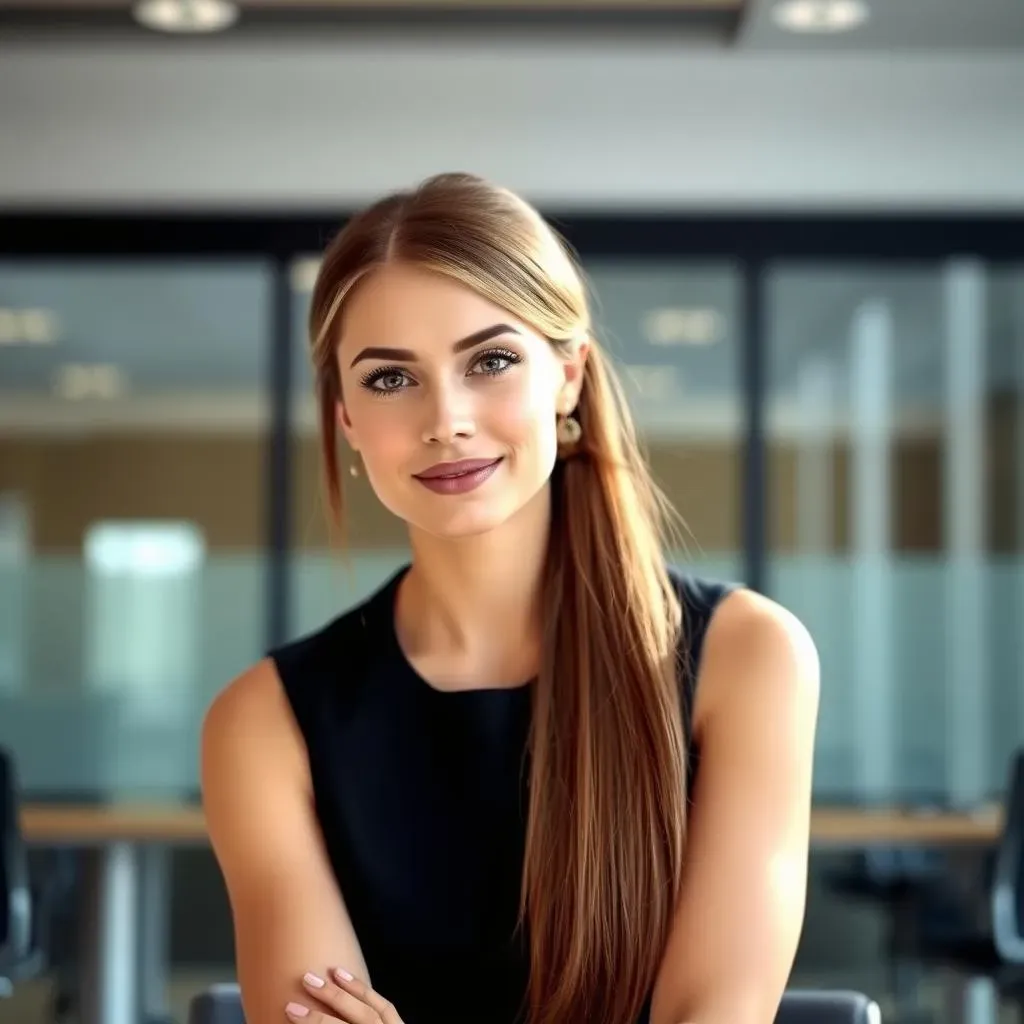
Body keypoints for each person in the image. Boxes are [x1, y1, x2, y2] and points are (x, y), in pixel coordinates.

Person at [200, 172, 820, 1024]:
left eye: (490, 361)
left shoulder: (747, 658)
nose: (445, 419)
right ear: (344, 417)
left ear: (568, 379)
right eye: (390, 379)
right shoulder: (263, 723)